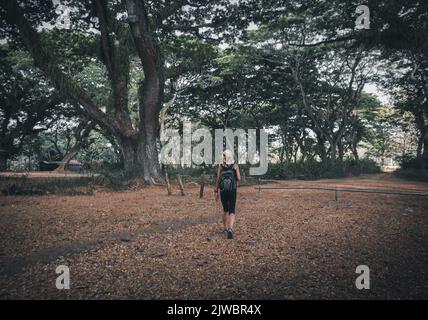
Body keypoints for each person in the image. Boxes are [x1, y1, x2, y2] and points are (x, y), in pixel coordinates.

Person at [215, 150, 241, 239]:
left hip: (223, 190)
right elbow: (239, 178)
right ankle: (230, 228)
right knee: (232, 210)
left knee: (225, 209)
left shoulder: (220, 166)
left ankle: (225, 228)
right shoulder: (235, 165)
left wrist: (216, 191)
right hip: (232, 190)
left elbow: (218, 179)